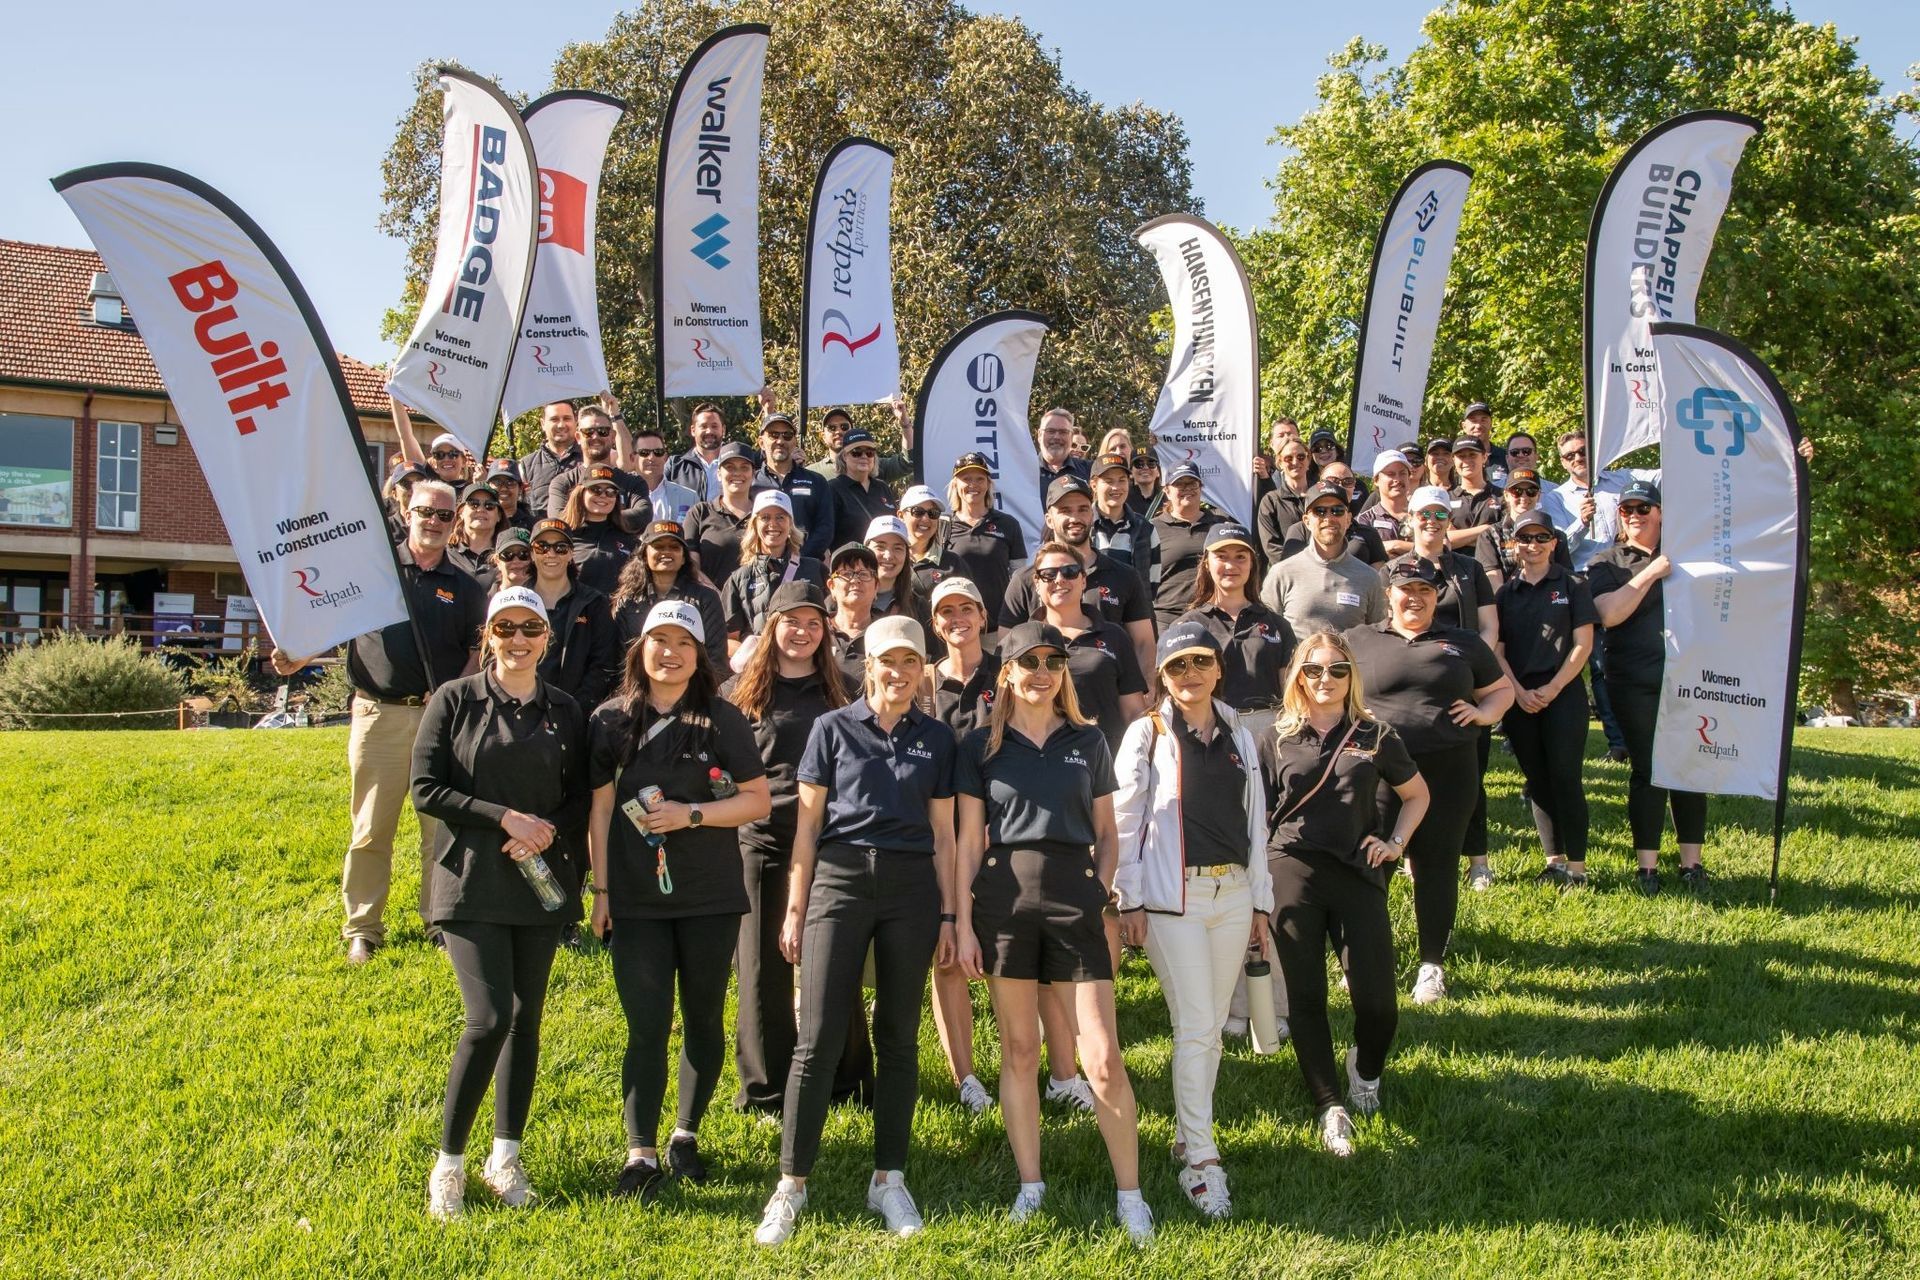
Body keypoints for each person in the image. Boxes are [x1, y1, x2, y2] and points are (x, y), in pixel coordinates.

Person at [755, 617, 958, 1248]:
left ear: (924, 667)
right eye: (886, 661)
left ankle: (888, 1178)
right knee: (815, 1039)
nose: (897, 673)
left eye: (909, 661)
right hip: (837, 883)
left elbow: (947, 836)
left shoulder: (938, 739)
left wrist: (951, 915)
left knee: (898, 1037)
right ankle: (792, 1183)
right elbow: (807, 831)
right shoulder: (831, 729)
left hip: (910, 889)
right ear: (866, 665)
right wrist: (794, 909)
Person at [955, 622, 1152, 1243]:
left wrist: (1102, 888)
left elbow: (1109, 832)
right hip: (1004, 903)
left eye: (1054, 661)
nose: (1043, 671)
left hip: (1076, 899)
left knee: (1102, 1058)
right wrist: (960, 920)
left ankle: (1131, 1194)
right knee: (1018, 1051)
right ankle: (1030, 1184)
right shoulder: (978, 748)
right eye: (1030, 661)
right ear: (1006, 673)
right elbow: (965, 841)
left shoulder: (1087, 742)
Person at [412, 586, 589, 1220]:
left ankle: (505, 1156)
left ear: (548, 639)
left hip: (540, 883)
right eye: (506, 628)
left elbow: (580, 798)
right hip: (470, 883)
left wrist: (544, 829)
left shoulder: (566, 709)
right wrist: (505, 818)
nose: (518, 640)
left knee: (525, 1020)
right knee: (487, 1018)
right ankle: (449, 1165)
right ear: (488, 636)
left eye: (530, 629)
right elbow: (425, 789)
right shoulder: (453, 700)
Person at [587, 600, 772, 1200]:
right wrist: (603, 890)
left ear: (700, 656)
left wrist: (691, 814)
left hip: (710, 895)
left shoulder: (723, 719)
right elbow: (599, 809)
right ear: (639, 649)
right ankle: (639, 1152)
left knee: (702, 1019)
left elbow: (756, 801)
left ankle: (685, 1134)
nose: (670, 653)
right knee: (644, 1025)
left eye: (683, 643)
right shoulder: (609, 720)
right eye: (658, 641)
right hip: (636, 899)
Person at [267, 478, 485, 963]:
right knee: (370, 829)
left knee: (441, 830)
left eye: (444, 515)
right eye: (426, 511)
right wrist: (297, 656)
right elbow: (329, 619)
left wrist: (452, 694)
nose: (433, 522)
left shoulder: (466, 584)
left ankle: (440, 920)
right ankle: (363, 928)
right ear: (408, 511)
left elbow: (476, 652)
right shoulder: (372, 572)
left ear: (455, 524)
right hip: (379, 713)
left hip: (440, 722)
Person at [1113, 622, 1269, 1218]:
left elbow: (1256, 821)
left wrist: (1260, 899)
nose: (1189, 676)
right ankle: (1201, 1161)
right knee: (1200, 1024)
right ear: (1163, 677)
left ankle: (1186, 1132)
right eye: (1177, 667)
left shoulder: (1239, 733)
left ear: (1218, 667)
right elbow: (1127, 821)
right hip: (1170, 900)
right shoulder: (1146, 734)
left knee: (1201, 1027)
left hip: (1232, 895)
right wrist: (1126, 896)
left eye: (1200, 662)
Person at [1260, 633, 1427, 1158]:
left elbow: (1417, 795)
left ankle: (1366, 1071)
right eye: (1313, 670)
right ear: (1297, 677)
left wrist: (1396, 842)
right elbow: (1257, 816)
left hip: (1358, 872)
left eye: (1336, 669)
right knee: (1307, 998)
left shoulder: (1376, 735)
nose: (1324, 680)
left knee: (1379, 1005)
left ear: (1351, 674)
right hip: (1292, 871)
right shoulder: (1275, 738)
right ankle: (1329, 1103)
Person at [724, 582, 865, 1117]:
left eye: (813, 623)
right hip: (759, 840)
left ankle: (846, 1081)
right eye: (791, 621)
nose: (802, 632)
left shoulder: (845, 691)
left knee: (834, 965)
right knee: (762, 969)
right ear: (771, 626)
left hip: (831, 843)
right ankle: (765, 1090)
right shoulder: (740, 692)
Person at [1343, 559, 1511, 1004]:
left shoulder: (1464, 642)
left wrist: (1484, 713)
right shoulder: (1359, 639)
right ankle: (1364, 957)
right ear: (1388, 593)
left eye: (1425, 589)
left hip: (1448, 770)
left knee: (1437, 865)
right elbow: (1323, 687)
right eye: (1405, 589)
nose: (1414, 597)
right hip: (1377, 773)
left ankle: (1431, 965)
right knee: (1372, 863)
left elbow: (1500, 690)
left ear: (1438, 595)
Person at [1586, 481, 1706, 894]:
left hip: (1688, 678)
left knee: (1689, 771)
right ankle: (1647, 869)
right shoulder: (1607, 563)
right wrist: (1653, 571)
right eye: (1626, 509)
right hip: (1633, 679)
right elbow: (1608, 614)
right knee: (1649, 770)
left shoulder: (1689, 554)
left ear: (1660, 513)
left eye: (1643, 508)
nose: (1634, 515)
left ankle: (1692, 867)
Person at [1394, 485, 1501, 893]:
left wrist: (1473, 671)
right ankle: (1412, 855)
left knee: (1470, 776)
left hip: (1465, 688)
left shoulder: (1469, 570)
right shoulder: (1399, 568)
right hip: (1414, 689)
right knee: (1410, 775)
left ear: (1449, 521)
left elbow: (1489, 627)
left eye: (1440, 515)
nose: (1431, 522)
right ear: (1411, 519)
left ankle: (1478, 861)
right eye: (1424, 514)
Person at [921, 577, 1002, 1113]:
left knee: (1010, 957)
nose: (957, 618)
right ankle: (966, 1077)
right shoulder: (922, 682)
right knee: (947, 956)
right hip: (941, 838)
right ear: (935, 623)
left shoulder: (1012, 675)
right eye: (945, 611)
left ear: (983, 614)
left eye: (966, 608)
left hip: (1006, 832)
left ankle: (1035, 1058)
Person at [1493, 509, 1597, 887]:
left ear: (1554, 543)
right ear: (1514, 545)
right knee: (1537, 779)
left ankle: (1579, 868)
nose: (1533, 545)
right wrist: (1519, 693)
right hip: (1520, 699)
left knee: (1565, 777)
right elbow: (1498, 651)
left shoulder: (1574, 585)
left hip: (1563, 693)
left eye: (1541, 538)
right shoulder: (1506, 592)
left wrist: (1552, 689)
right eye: (1525, 538)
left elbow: (1583, 644)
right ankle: (1554, 862)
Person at [1002, 477, 1156, 679]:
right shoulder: (1025, 579)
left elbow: (1144, 642)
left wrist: (1147, 689)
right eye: (1065, 510)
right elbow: (1005, 646)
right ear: (1049, 519)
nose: (1075, 518)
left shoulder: (1124, 575)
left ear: (1092, 515)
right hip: (1042, 695)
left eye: (1082, 509)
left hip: (1108, 696)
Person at [1175, 523, 1295, 741]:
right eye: (1221, 556)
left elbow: (1291, 691)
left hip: (1268, 728)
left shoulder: (1277, 624)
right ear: (1206, 563)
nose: (1231, 565)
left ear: (1252, 564)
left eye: (1240, 557)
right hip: (1211, 727)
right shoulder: (1188, 626)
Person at [1031, 541, 1149, 751]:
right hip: (1043, 763)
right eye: (1049, 574)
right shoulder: (1022, 640)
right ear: (1037, 582)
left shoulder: (1114, 636)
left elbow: (1134, 712)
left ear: (1083, 580)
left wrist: (1140, 759)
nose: (1060, 579)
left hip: (1107, 762)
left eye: (1070, 571)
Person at [1262, 480, 1388, 635]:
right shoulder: (1282, 574)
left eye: (1337, 510)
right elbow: (1267, 635)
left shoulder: (1369, 578)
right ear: (1307, 521)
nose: (1328, 518)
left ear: (1348, 519)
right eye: (1320, 511)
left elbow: (1379, 637)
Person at [721, 491, 829, 660]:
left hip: (808, 667)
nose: (773, 524)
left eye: (780, 517)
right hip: (761, 669)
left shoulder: (815, 569)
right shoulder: (740, 578)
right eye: (765, 517)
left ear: (790, 524)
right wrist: (759, 657)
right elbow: (728, 639)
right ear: (755, 525)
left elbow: (830, 624)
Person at [528, 518, 620, 713]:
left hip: (574, 714)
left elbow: (603, 664)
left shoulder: (594, 603)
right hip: (520, 710)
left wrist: (574, 708)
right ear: (531, 554)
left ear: (571, 553)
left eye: (560, 547)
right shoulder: (516, 601)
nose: (551, 554)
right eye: (542, 547)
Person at [610, 520, 728, 671]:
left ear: (684, 557)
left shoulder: (706, 599)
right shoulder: (628, 602)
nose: (666, 551)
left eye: (674, 547)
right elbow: (620, 661)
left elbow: (716, 659)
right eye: (658, 546)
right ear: (644, 555)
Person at [942, 452, 1028, 629]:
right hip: (956, 627)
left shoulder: (1008, 524)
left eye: (980, 479)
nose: (973, 485)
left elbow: (1020, 577)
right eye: (966, 479)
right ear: (955, 484)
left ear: (988, 484)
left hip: (999, 626)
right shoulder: (942, 526)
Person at [548, 402, 653, 533]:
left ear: (613, 436)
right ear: (578, 437)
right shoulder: (563, 482)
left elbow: (643, 515)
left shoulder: (633, 483)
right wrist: (610, 518)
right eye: (588, 432)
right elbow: (558, 521)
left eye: (603, 431)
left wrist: (592, 516)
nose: (595, 437)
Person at [1148, 462, 1227, 630]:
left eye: (1192, 483)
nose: (1187, 488)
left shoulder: (1221, 526)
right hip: (1166, 619)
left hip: (1213, 617)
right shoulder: (1150, 529)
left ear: (1201, 487)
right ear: (1167, 491)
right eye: (1179, 484)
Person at [753, 411, 833, 562]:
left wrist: (798, 560)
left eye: (787, 435)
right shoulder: (751, 483)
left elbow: (825, 528)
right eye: (774, 435)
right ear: (761, 442)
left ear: (794, 442)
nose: (780, 441)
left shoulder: (817, 481)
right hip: (760, 566)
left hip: (807, 566)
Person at [1474, 468, 1571, 589]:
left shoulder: (1556, 536)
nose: (1524, 497)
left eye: (1531, 491)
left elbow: (1567, 578)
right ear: (1506, 495)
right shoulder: (1490, 535)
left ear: (1539, 495)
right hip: (1506, 602)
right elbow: (1492, 582)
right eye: (1517, 491)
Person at [685, 442, 759, 586]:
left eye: (744, 467)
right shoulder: (700, 513)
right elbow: (691, 566)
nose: (737, 473)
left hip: (759, 603)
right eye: (729, 467)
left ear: (753, 474)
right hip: (712, 603)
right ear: (718, 474)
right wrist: (718, 597)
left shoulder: (764, 513)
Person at [561, 466, 639, 597]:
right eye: (596, 490)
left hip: (619, 614)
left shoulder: (629, 539)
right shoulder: (564, 537)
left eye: (610, 491)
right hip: (577, 614)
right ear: (581, 493)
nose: (603, 496)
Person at [1089, 452, 1154, 590]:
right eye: (1109, 481)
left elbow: (1153, 581)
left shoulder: (1145, 528)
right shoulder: (1082, 525)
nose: (1116, 487)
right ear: (1094, 485)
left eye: (1122, 480)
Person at [827, 429, 898, 548]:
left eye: (869, 453)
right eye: (856, 452)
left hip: (883, 561)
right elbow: (826, 533)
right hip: (850, 562)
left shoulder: (882, 487)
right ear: (844, 456)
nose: (864, 456)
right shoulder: (833, 488)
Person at [824, 542, 882, 688]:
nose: (856, 580)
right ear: (831, 586)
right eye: (846, 574)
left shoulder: (887, 634)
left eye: (864, 574)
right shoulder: (816, 631)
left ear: (876, 587)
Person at [517, 401, 582, 522]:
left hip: (582, 537)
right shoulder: (526, 465)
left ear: (576, 421)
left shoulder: (589, 459)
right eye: (554, 419)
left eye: (567, 418)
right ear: (543, 424)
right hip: (542, 536)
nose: (561, 425)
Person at [1255, 437, 1316, 561]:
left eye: (1301, 457)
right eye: (1288, 458)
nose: (1295, 462)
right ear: (1280, 463)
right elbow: (1271, 547)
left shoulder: (1321, 496)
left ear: (1308, 460)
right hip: (1289, 574)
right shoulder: (1271, 501)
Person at [630, 424, 701, 526]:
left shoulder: (690, 497)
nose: (651, 457)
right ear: (632, 458)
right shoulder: (619, 495)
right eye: (644, 452)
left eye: (658, 452)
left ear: (665, 457)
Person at [899, 484, 961, 599]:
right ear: (901, 515)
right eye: (918, 511)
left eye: (933, 513)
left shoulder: (953, 563)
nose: (926, 519)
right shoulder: (888, 560)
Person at [866, 514, 927, 629]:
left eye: (897, 548)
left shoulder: (918, 606)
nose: (888, 556)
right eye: (880, 547)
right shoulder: (844, 601)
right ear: (866, 550)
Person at [666, 402, 732, 501]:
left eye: (714, 426)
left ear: (723, 430)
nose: (709, 431)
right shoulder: (675, 466)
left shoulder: (737, 463)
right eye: (703, 426)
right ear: (693, 430)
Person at [448, 479, 507, 588]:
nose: (481, 509)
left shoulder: (508, 556)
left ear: (499, 515)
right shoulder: (445, 552)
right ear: (461, 512)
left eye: (489, 505)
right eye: (473, 504)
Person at [1356, 450, 1415, 558]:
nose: (1397, 479)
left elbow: (1440, 547)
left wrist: (1395, 545)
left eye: (1402, 473)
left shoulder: (1423, 513)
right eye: (1390, 474)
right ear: (1376, 480)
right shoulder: (1365, 520)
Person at [1447, 436, 1504, 540]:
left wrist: (1459, 537)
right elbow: (1444, 540)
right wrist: (1487, 529)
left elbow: (1505, 535)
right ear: (1453, 460)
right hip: (1453, 557)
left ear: (1484, 457)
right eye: (1461, 456)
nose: (1467, 460)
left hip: (1491, 556)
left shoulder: (1502, 496)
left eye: (1472, 455)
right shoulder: (1446, 498)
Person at [1035, 408, 1090, 495]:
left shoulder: (1089, 470)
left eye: (1063, 432)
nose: (1056, 437)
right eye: (1050, 431)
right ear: (1040, 435)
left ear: (1071, 437)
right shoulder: (1022, 471)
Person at [1459, 402, 1508, 481]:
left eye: (1483, 420)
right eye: (1473, 421)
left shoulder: (1506, 457)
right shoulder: (1455, 460)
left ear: (1491, 423)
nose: (1478, 426)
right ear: (1464, 426)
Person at [486, 462, 532, 532]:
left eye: (510, 483)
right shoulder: (481, 522)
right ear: (487, 487)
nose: (503, 488)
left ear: (520, 488)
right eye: (497, 482)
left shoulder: (532, 525)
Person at [490, 527, 535, 591]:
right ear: (497, 561)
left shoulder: (546, 598)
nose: (516, 561)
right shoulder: (483, 599)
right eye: (507, 555)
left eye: (523, 554)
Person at [1125, 451, 1161, 515]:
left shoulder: (1168, 498)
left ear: (1158, 471)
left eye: (1151, 464)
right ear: (1131, 472)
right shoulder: (1123, 498)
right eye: (1139, 464)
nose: (1145, 467)